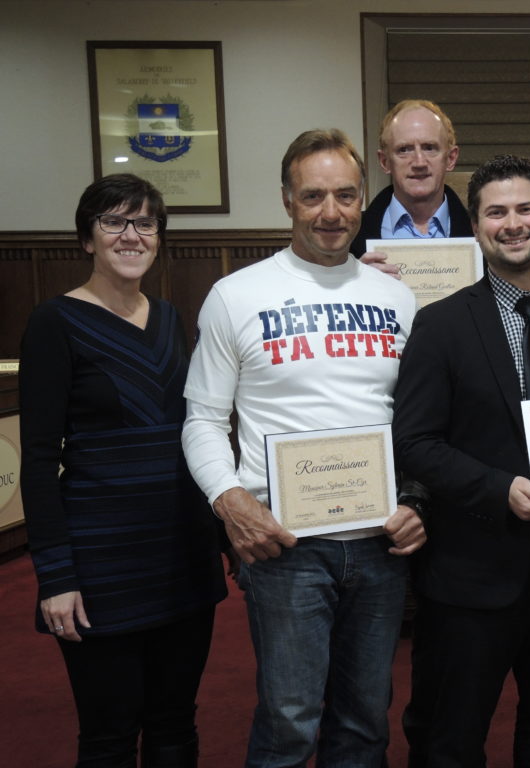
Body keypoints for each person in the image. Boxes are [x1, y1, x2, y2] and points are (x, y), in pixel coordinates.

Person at [181, 129, 426, 768]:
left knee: (366, 720)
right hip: (284, 545)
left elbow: (420, 426)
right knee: (290, 722)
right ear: (287, 200)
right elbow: (202, 419)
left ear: (363, 198)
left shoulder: (397, 299)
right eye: (313, 195)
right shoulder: (237, 295)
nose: (331, 212)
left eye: (346, 195)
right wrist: (229, 501)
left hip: (379, 543)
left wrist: (417, 502)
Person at [392, 155, 530, 767]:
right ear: (478, 226)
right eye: (496, 212)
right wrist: (499, 488)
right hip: (472, 573)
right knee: (450, 738)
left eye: (525, 209)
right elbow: (413, 442)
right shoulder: (440, 325)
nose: (512, 223)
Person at [19, 174, 228, 768]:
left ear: (159, 237)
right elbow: (39, 458)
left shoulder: (169, 319)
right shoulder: (54, 323)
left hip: (181, 558)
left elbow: (197, 433)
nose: (130, 235)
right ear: (87, 237)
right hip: (100, 565)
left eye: (144, 223)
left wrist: (221, 536)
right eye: (114, 221)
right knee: (109, 736)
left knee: (174, 724)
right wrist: (56, 576)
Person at [351, 99, 473, 273]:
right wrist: (355, 283)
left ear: (451, 158)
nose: (419, 162)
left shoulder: (484, 234)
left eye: (429, 148)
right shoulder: (348, 235)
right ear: (385, 162)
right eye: (404, 149)